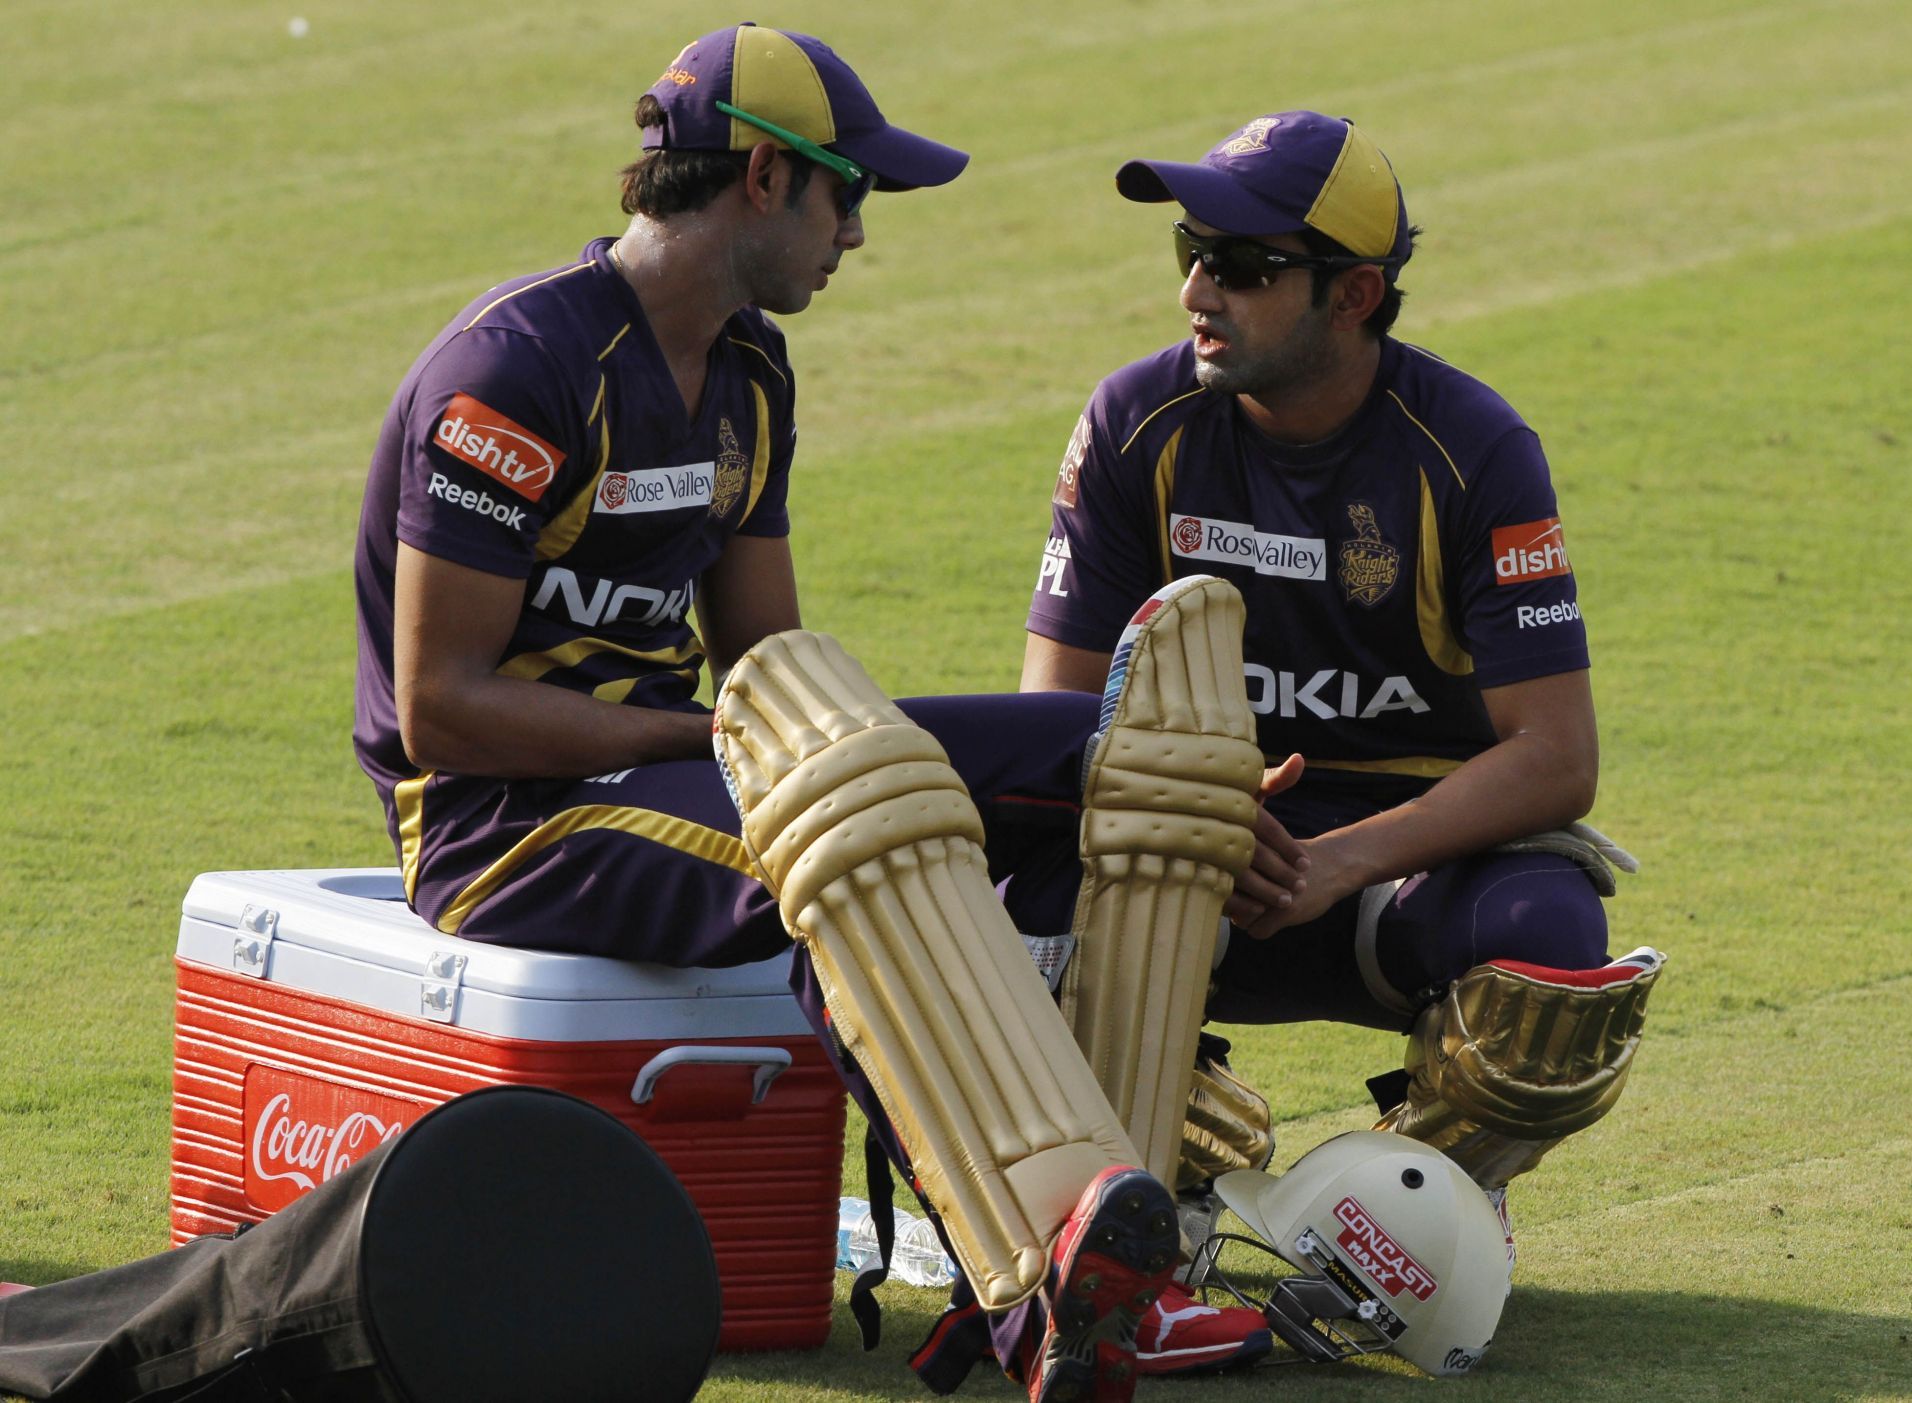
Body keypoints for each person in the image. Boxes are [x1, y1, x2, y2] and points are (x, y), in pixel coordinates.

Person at [351, 26, 1271, 1400]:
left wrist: (1190, 810)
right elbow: (444, 711)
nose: (860, 232)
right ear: (768, 179)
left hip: (691, 767)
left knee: (1114, 762)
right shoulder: (518, 374)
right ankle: (1035, 1284)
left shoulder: (748, 373)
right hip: (512, 826)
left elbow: (766, 659)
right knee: (851, 849)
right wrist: (713, 737)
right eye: (855, 194)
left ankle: (1135, 1232)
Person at [1022, 110, 1664, 1263]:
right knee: (1016, 921)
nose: (1200, 293)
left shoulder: (1473, 448)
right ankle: (1174, 1183)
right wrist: (1214, 815)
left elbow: (1559, 757)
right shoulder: (1135, 424)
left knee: (1556, 954)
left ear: (1355, 296)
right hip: (1203, 847)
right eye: (1193, 254)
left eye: (1248, 268)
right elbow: (1056, 722)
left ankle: (1399, 1208)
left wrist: (1341, 859)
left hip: (1409, 867)